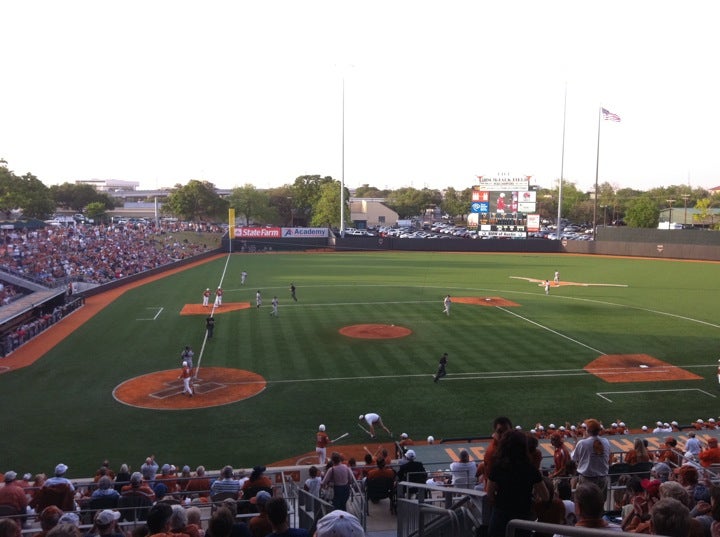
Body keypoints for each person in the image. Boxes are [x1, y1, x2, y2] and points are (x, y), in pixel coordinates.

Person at [486, 430, 547, 537]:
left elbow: (489, 493)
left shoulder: (498, 467)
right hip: (522, 516)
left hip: (500, 514)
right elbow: (545, 496)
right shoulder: (531, 469)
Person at [571, 418, 611, 497]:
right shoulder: (606, 441)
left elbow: (573, 458)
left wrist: (576, 441)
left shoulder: (582, 443)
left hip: (587, 479)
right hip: (602, 478)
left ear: (587, 430)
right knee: (600, 503)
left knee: (586, 503)